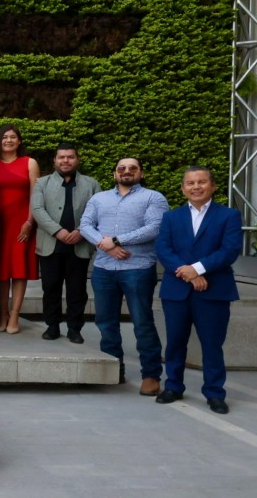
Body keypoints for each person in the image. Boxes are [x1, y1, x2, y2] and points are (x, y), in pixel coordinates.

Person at [154, 167, 242, 415]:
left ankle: (214, 393)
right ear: (183, 188)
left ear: (213, 186)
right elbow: (163, 249)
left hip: (214, 291)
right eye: (190, 183)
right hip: (177, 290)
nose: (196, 187)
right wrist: (189, 273)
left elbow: (229, 250)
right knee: (175, 342)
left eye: (201, 182)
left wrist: (198, 269)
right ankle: (173, 386)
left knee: (212, 345)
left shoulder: (229, 215)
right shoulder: (172, 217)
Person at [79, 157, 169, 395]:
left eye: (132, 168)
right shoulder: (99, 198)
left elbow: (154, 228)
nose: (126, 171)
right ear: (114, 174)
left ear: (141, 172)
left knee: (142, 323)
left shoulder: (153, 197)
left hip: (138, 268)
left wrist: (117, 240)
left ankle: (150, 375)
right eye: (121, 168)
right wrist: (104, 244)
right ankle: (113, 370)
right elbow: (85, 224)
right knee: (106, 323)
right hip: (104, 269)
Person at [31, 143, 100, 343]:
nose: (66, 161)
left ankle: (74, 329)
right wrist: (58, 231)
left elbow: (97, 212)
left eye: (70, 157)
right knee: (50, 287)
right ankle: (52, 326)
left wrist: (81, 231)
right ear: (55, 160)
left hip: (79, 245)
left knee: (77, 290)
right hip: (51, 245)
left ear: (77, 159)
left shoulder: (91, 184)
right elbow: (37, 209)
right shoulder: (42, 183)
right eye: (61, 157)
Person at [0, 124, 40, 334]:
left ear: (19, 141)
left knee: (19, 271)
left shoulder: (29, 163)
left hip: (22, 224)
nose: (8, 140)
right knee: (0, 271)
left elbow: (35, 196)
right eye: (4, 137)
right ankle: (2, 313)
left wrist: (29, 223)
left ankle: (15, 315)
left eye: (12, 137)